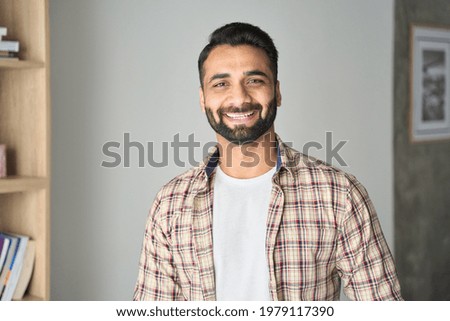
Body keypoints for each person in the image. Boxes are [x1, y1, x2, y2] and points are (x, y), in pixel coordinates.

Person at [133, 22, 402, 301]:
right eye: (221, 83)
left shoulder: (339, 195)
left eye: (254, 81)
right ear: (203, 98)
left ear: (277, 91)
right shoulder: (170, 203)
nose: (239, 98)